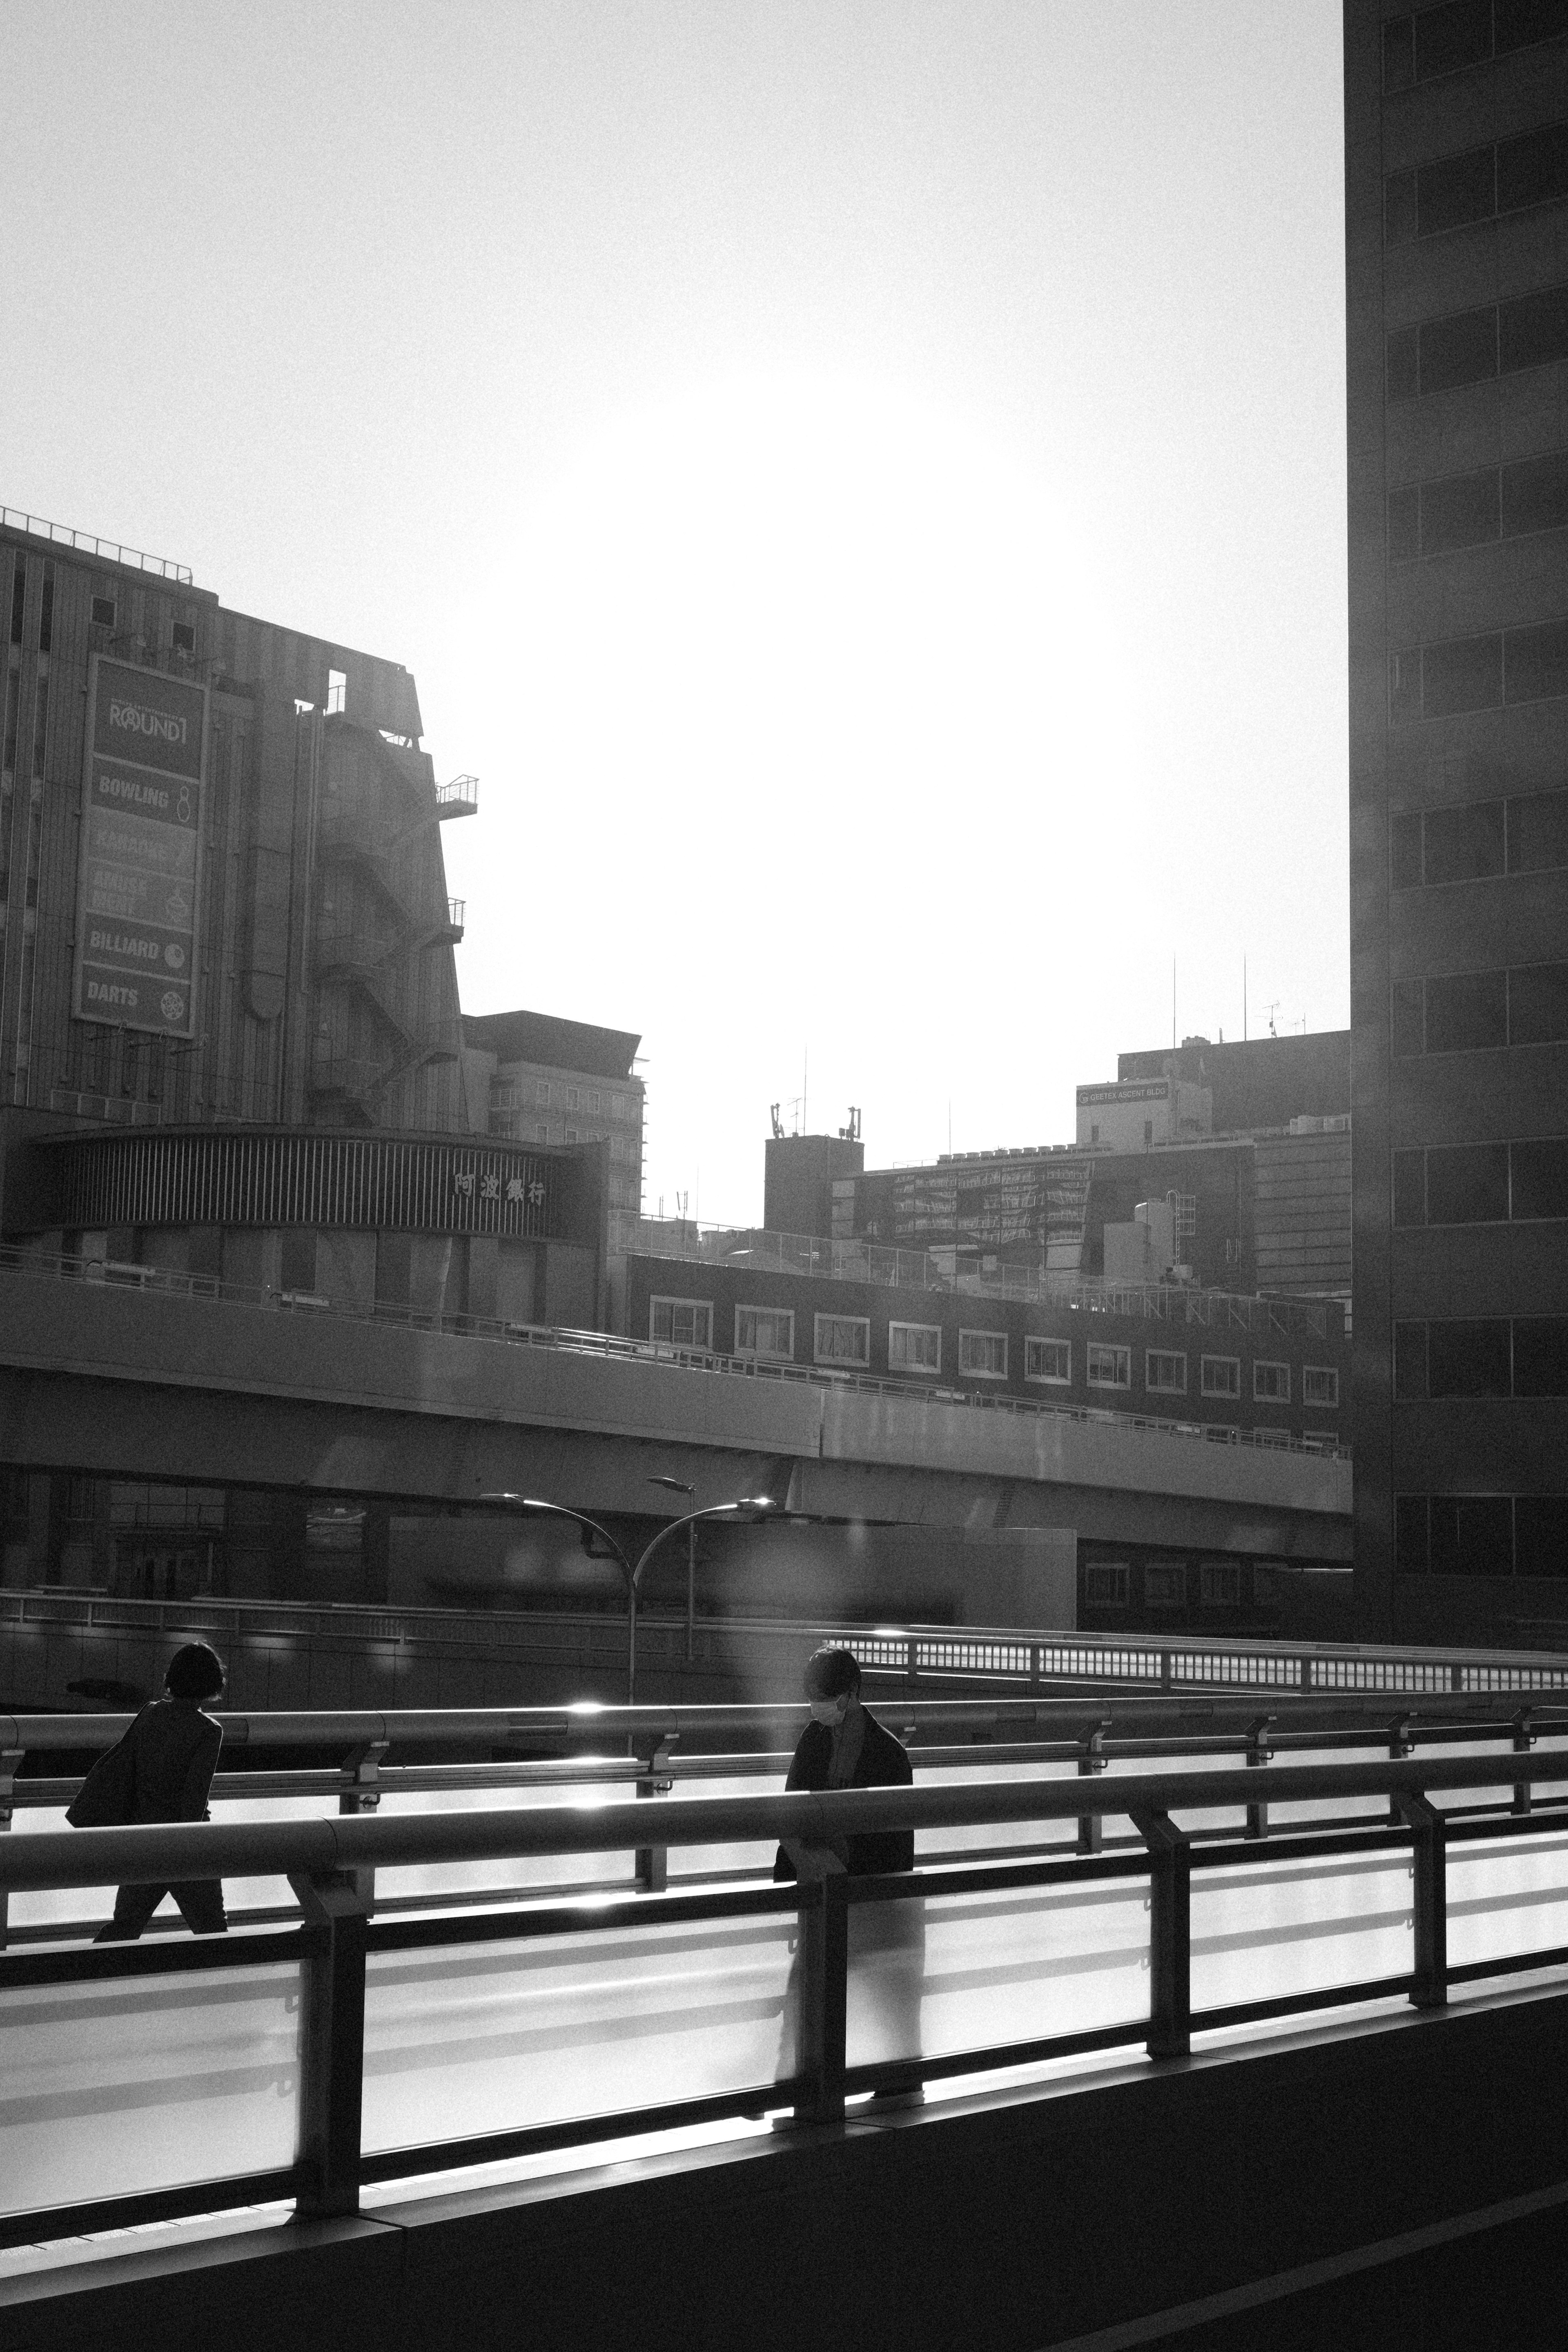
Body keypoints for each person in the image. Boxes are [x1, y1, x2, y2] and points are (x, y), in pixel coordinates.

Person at [774, 1646, 924, 2105]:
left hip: (868, 1890)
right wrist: (789, 1887)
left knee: (867, 1987)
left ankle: (890, 2077)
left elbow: (894, 1841)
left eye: (824, 1697)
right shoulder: (813, 1740)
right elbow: (791, 1813)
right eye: (811, 1697)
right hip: (822, 1886)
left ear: (851, 1694)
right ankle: (793, 2080)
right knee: (808, 1986)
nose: (816, 1707)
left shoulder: (889, 1755)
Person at [76, 1642, 229, 1940]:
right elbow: (194, 1801)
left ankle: (85, 1973)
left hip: (144, 1835)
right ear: (212, 1683)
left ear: (172, 1678)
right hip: (186, 1845)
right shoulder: (209, 1730)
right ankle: (221, 1985)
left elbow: (127, 1769)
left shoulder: (150, 1713)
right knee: (212, 1928)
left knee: (125, 1925)